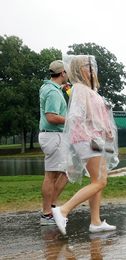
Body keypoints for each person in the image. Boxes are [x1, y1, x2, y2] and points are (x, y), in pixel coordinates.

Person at [51, 55, 119, 235]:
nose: (92, 69)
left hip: (96, 140)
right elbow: (77, 117)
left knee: (98, 180)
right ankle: (63, 210)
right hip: (88, 140)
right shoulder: (80, 89)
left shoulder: (90, 90)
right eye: (88, 66)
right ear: (80, 69)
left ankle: (95, 222)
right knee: (100, 181)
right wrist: (93, 134)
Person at [38, 60, 69, 225]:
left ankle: (51, 208)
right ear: (62, 73)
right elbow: (51, 117)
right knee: (51, 175)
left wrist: (63, 89)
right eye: (67, 72)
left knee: (66, 172)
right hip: (53, 136)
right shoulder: (53, 93)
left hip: (54, 136)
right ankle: (47, 213)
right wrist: (71, 120)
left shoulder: (49, 87)